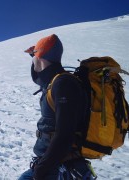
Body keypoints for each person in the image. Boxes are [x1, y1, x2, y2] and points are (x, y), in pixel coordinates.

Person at [20, 34, 95, 179]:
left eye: (35, 54)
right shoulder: (55, 81)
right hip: (50, 162)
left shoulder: (63, 84)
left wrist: (41, 170)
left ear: (40, 55)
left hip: (57, 166)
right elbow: (39, 78)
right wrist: (34, 57)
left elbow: (64, 134)